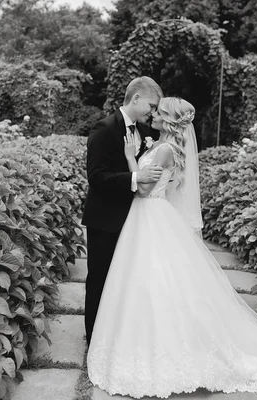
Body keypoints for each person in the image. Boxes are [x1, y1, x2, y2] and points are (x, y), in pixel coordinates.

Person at [86, 97, 257, 399]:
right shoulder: (158, 145)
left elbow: (142, 188)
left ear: (168, 120)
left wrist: (130, 157)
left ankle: (160, 347)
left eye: (159, 111)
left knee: (153, 282)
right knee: (146, 283)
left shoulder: (165, 149)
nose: (153, 114)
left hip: (150, 216)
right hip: (146, 219)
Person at [81, 76, 164, 346]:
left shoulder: (146, 132)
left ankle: (116, 329)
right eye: (151, 105)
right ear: (136, 97)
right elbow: (97, 177)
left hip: (134, 218)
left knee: (125, 279)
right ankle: (93, 335)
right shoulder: (104, 128)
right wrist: (135, 179)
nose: (152, 112)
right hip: (105, 219)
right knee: (100, 278)